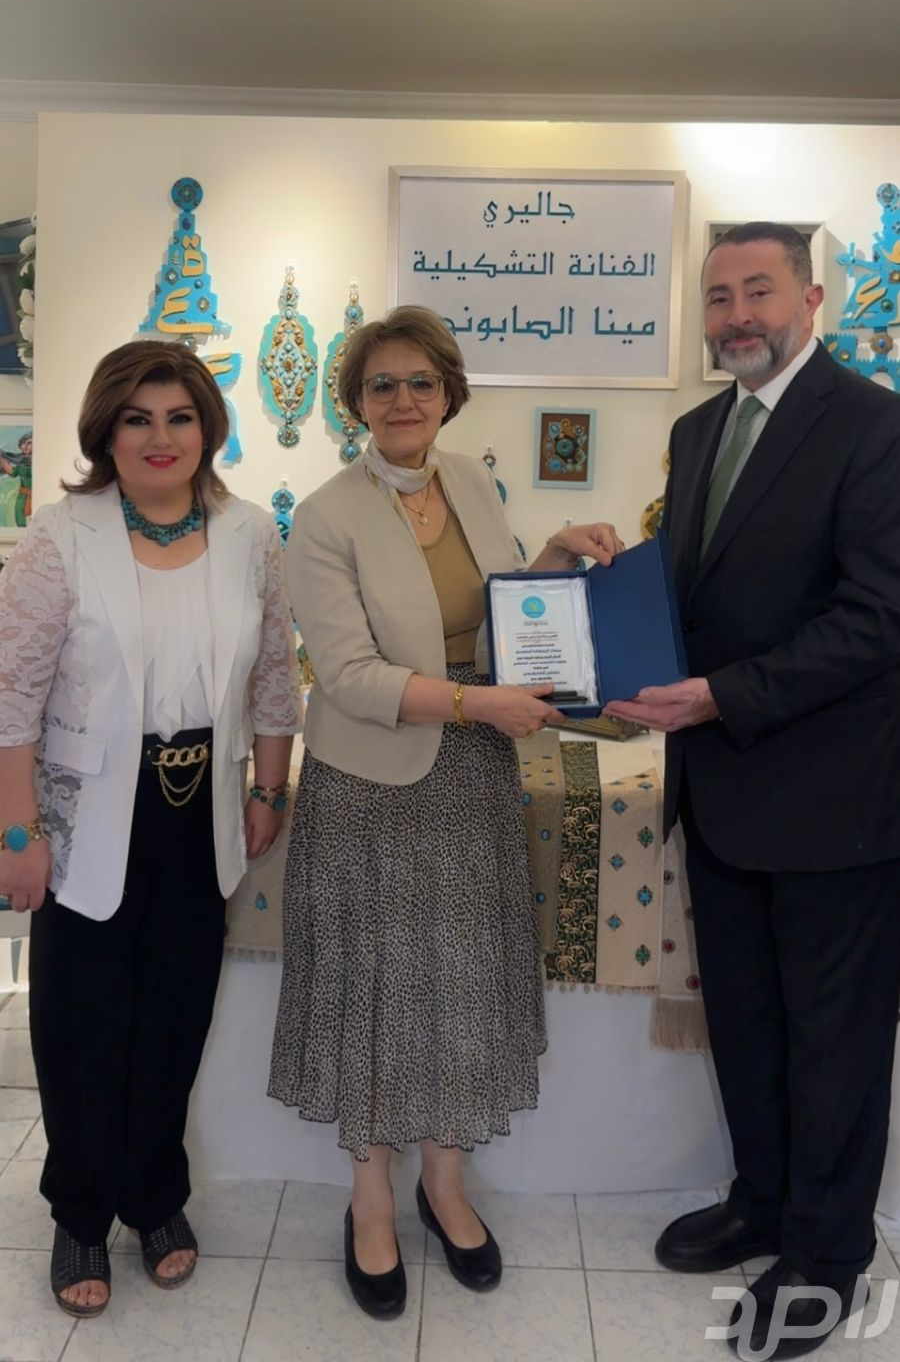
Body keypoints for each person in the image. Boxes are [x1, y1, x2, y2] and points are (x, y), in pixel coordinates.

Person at [268, 305, 622, 1320]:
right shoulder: (325, 516)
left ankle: (444, 1182)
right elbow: (348, 675)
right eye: (381, 384)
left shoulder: (468, 481)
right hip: (370, 786)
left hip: (471, 778)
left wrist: (553, 560)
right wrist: (478, 704)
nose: (403, 400)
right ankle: (370, 1199)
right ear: (355, 402)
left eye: (420, 382)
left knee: (457, 985)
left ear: (448, 393)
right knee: (374, 990)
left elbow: (497, 617)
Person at [605, 223, 900, 1360]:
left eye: (759, 290)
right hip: (722, 794)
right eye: (719, 295)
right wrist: (606, 603)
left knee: (835, 1043)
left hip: (836, 802)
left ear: (812, 300)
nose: (737, 314)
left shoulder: (875, 426)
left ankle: (826, 1257)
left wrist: (723, 696)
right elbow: (697, 599)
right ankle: (764, 1202)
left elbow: (877, 617)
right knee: (746, 1022)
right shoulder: (699, 430)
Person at [0, 340, 301, 1319]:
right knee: (80, 1022)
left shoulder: (248, 533)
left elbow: (273, 675)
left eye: (180, 417)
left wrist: (268, 788)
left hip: (200, 807)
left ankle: (155, 1197)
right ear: (107, 432)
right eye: (138, 419)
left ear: (208, 428)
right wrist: (17, 834)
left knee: (175, 1016)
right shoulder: (61, 535)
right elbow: (11, 699)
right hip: (87, 813)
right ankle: (81, 1211)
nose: (160, 437)